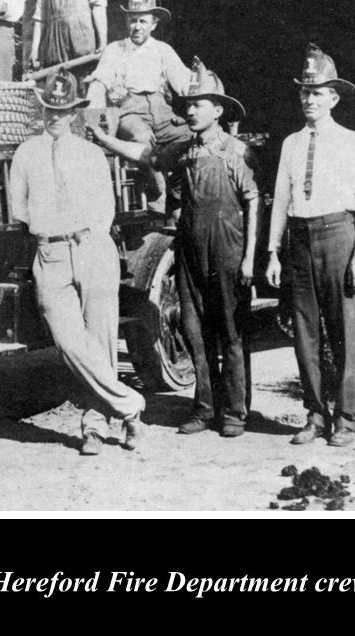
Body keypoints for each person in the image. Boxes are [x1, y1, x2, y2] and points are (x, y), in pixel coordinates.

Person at [91, 58, 258, 437]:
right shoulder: (183, 151)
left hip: (228, 251)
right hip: (190, 251)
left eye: (198, 104)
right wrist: (106, 141)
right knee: (195, 331)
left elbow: (253, 202)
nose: (190, 110)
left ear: (218, 110)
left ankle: (234, 412)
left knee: (230, 332)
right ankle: (203, 408)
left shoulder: (238, 152)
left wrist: (249, 257)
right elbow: (147, 157)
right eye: (188, 104)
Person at [9, 70, 145, 455]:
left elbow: (106, 207)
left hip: (91, 247)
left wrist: (89, 240)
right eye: (50, 108)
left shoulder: (90, 154)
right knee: (69, 342)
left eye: (63, 109)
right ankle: (130, 408)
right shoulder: (26, 152)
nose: (55, 116)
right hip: (49, 254)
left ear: (74, 112)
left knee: (100, 342)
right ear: (42, 110)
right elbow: (19, 206)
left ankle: (94, 427)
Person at [264, 44, 355, 447]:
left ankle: (347, 419)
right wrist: (272, 252)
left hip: (339, 237)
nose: (309, 99)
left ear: (333, 97)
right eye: (303, 92)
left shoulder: (353, 143)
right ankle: (314, 415)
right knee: (304, 332)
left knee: (345, 330)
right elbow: (280, 200)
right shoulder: (291, 144)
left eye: (317, 92)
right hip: (299, 239)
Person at [86, 0, 191, 212]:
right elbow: (100, 81)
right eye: (133, 20)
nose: (137, 27)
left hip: (163, 112)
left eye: (143, 21)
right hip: (131, 112)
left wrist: (203, 98)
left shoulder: (163, 50)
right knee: (143, 141)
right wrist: (95, 114)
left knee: (191, 138)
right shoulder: (115, 50)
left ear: (153, 23)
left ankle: (179, 192)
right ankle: (159, 193)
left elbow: (184, 83)